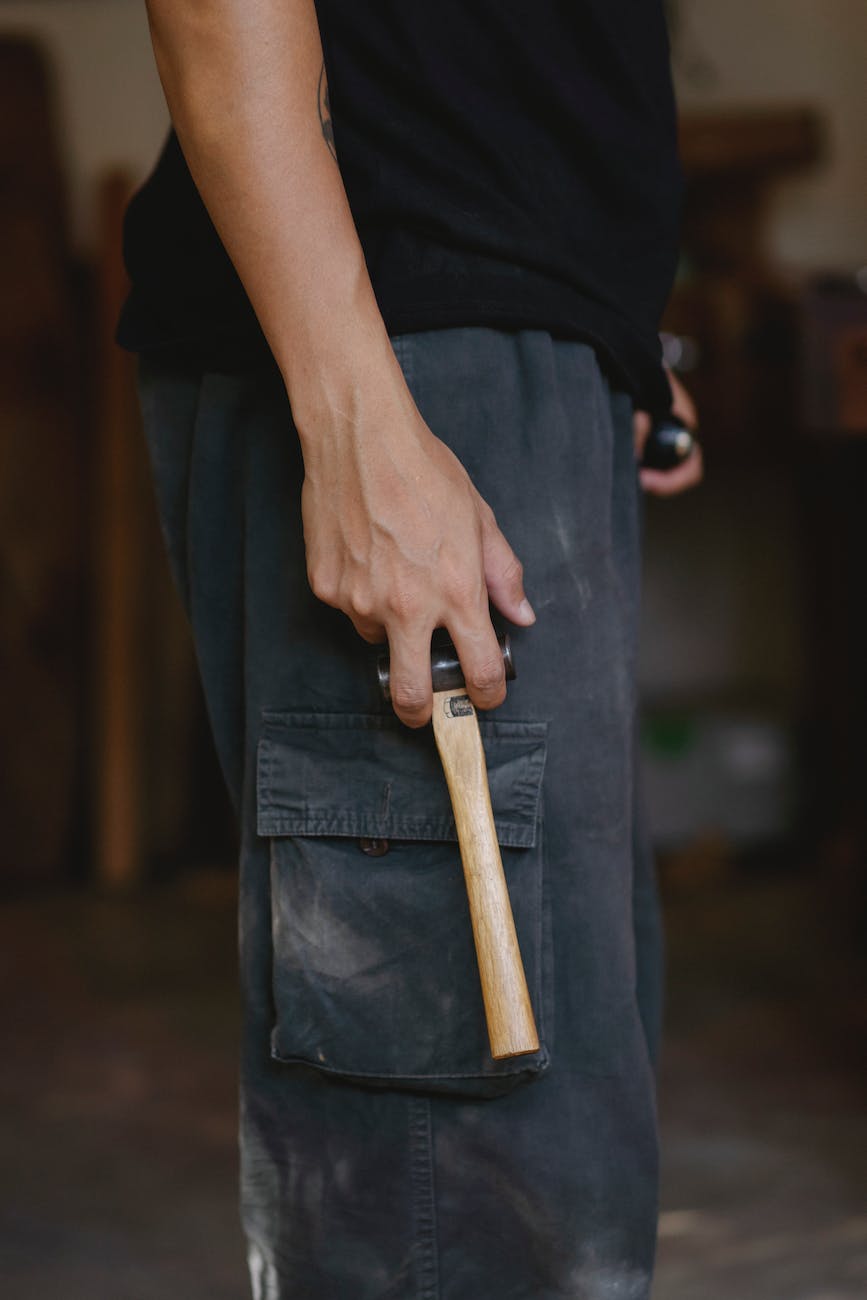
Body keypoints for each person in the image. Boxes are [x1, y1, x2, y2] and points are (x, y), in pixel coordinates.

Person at [119, 2, 703, 1295]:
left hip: (492, 353)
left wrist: (609, 335)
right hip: (403, 363)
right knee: (465, 1198)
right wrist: (358, 419)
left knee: (560, 1161)